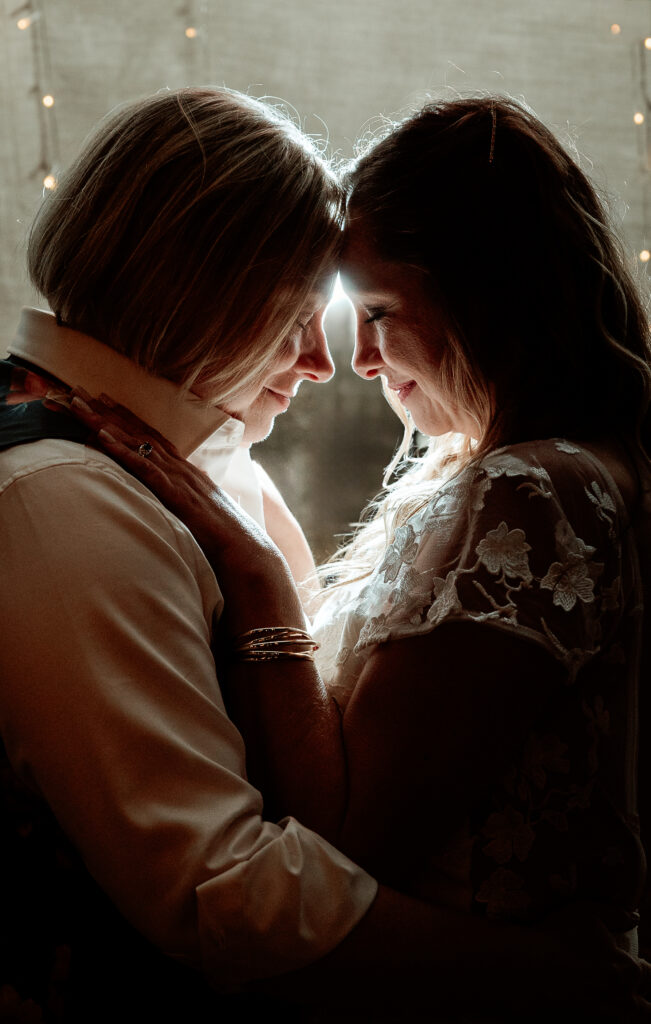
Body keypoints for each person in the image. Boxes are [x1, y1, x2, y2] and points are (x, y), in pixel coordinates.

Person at [69, 95, 651, 1021]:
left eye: (377, 311)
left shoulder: (532, 492)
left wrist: (256, 577)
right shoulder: (563, 467)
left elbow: (342, 840)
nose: (361, 360)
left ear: (485, 291)